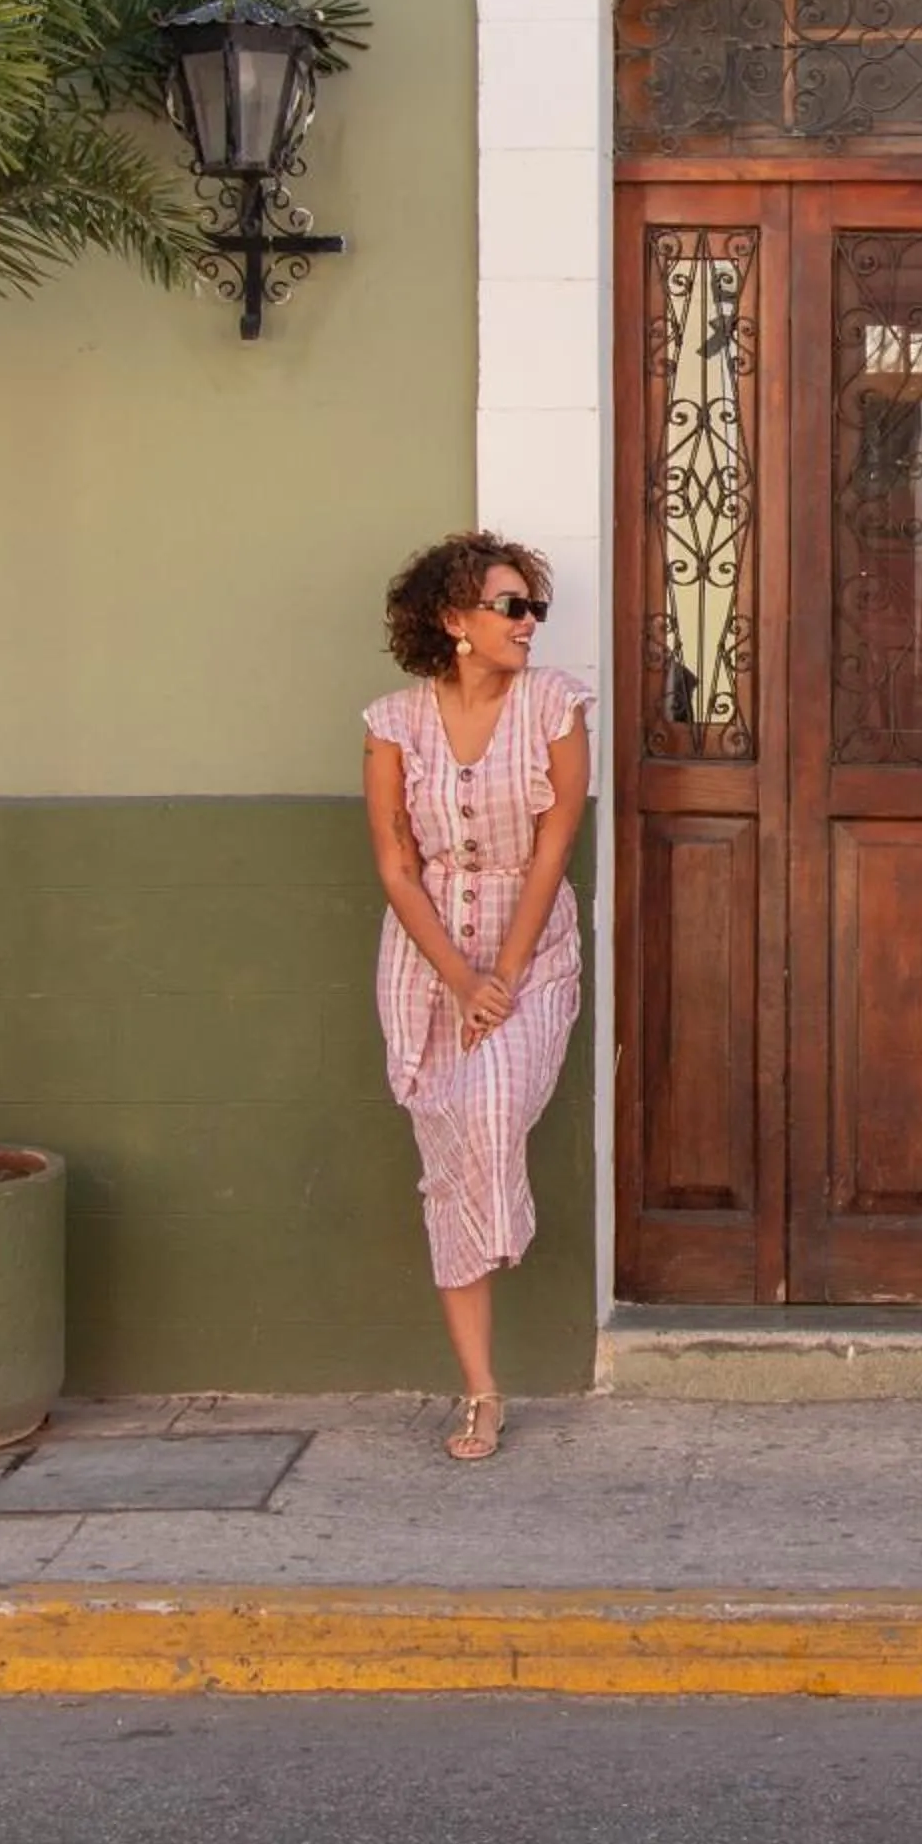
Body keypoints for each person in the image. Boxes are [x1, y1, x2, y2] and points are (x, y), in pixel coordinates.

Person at [363, 532, 592, 1462]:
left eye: (534, 608)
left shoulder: (556, 707)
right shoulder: (393, 724)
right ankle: (481, 1393)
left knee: (486, 1104)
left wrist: (502, 972)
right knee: (444, 1151)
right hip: (423, 964)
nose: (529, 624)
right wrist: (459, 979)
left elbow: (556, 842)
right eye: (511, 607)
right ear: (454, 621)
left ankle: (499, 1229)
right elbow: (395, 863)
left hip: (530, 949)